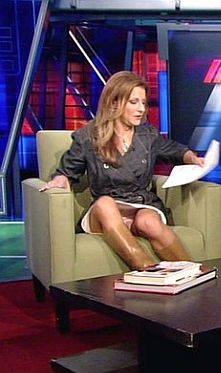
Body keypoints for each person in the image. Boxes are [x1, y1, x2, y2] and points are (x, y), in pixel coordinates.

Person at [40, 71, 205, 270]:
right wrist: (60, 179)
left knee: (149, 223)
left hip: (141, 204)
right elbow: (67, 171)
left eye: (143, 103)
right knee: (105, 203)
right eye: (134, 102)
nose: (141, 109)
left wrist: (193, 158)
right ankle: (148, 270)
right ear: (114, 102)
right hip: (105, 213)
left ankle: (195, 273)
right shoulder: (88, 136)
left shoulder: (147, 135)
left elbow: (176, 151)